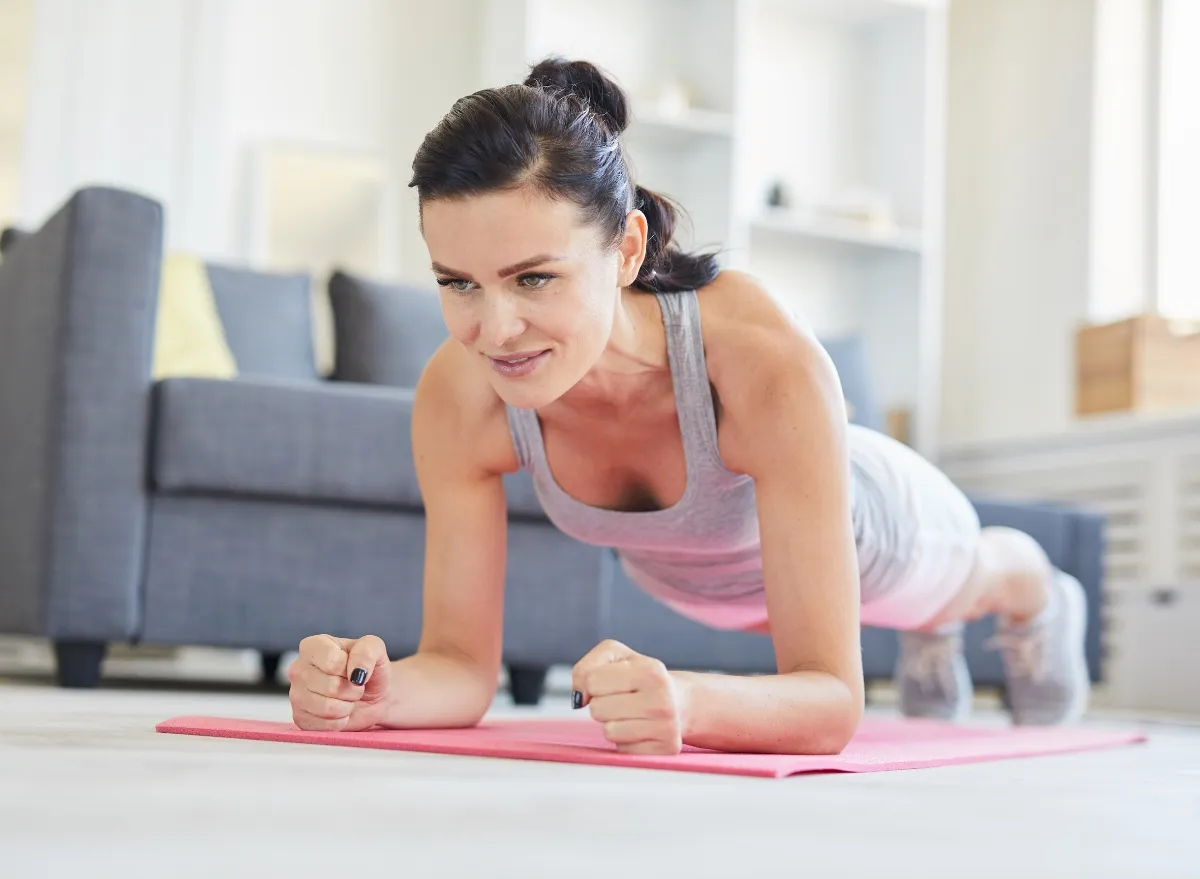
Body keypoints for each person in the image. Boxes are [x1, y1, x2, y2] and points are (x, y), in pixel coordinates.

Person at [287, 57, 1090, 756]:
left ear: (628, 249)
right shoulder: (458, 395)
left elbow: (832, 700)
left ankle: (1037, 593)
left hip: (881, 528)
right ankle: (933, 634)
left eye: (534, 277)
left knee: (962, 582)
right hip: (713, 580)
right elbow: (461, 667)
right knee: (771, 611)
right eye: (457, 282)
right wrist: (373, 691)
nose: (494, 331)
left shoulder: (762, 359)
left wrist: (692, 702)